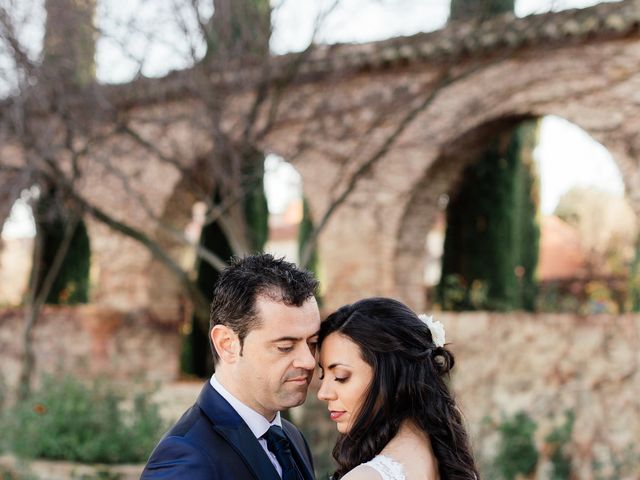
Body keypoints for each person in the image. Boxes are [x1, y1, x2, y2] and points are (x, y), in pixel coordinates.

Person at [142, 254, 320, 480]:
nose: (309, 361)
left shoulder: (292, 438)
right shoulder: (184, 458)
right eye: (285, 346)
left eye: (313, 343)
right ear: (227, 344)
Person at [317, 297, 479, 480]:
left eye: (340, 377)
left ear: (390, 375)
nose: (323, 393)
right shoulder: (446, 460)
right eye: (323, 376)